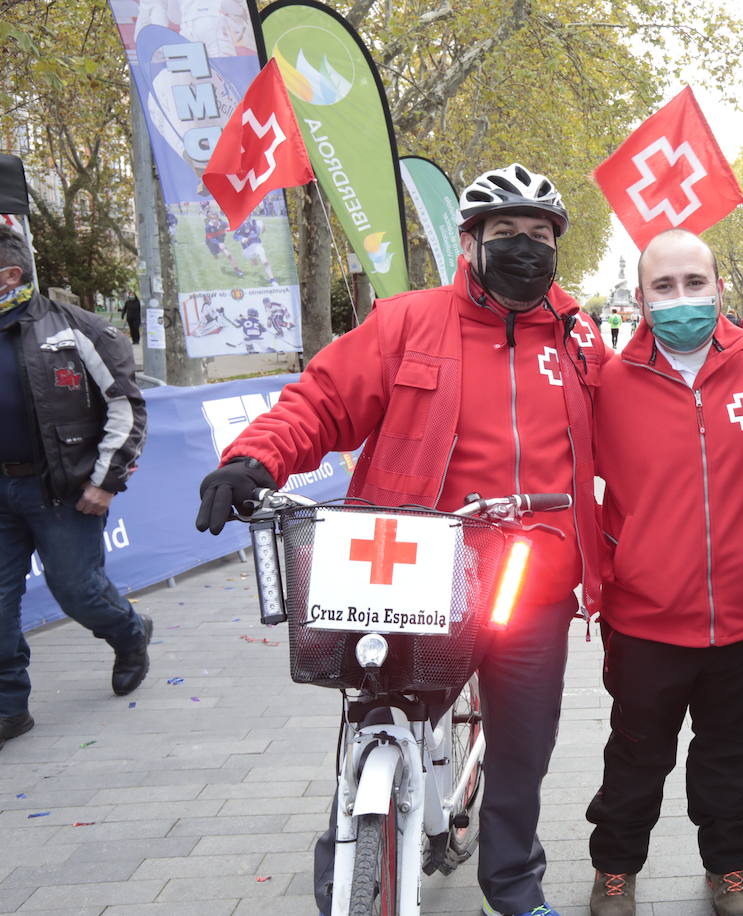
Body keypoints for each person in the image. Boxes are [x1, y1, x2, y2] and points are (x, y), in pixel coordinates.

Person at [193, 163, 605, 916]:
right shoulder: (407, 321)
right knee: (373, 719)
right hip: (413, 568)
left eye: (539, 237)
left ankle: (513, 887)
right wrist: (255, 457)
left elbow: (634, 433)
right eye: (504, 234)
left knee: (523, 747)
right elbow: (320, 401)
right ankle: (346, 875)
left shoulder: (579, 342)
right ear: (470, 241)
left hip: (533, 579)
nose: (523, 249)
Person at [586, 229, 743, 916]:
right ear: (642, 298)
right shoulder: (606, 384)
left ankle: (730, 868)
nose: (681, 299)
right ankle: (615, 869)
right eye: (664, 287)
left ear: (718, 288)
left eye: (693, 283)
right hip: (646, 620)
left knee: (726, 761)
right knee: (636, 758)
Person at [0, 226, 152, 749]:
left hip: (64, 493)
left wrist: (105, 482)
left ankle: (130, 634)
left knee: (77, 592)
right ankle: (9, 708)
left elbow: (127, 407)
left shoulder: (77, 328)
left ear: (10, 275)